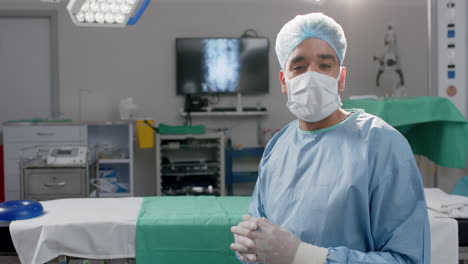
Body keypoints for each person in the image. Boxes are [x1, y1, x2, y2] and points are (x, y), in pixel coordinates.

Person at [230, 12, 430, 264]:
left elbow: (408, 259)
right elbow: (261, 227)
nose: (312, 75)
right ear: (284, 81)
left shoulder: (381, 144)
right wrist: (252, 246)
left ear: (341, 78)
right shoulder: (278, 147)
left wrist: (305, 256)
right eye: (299, 67)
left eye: (325, 66)